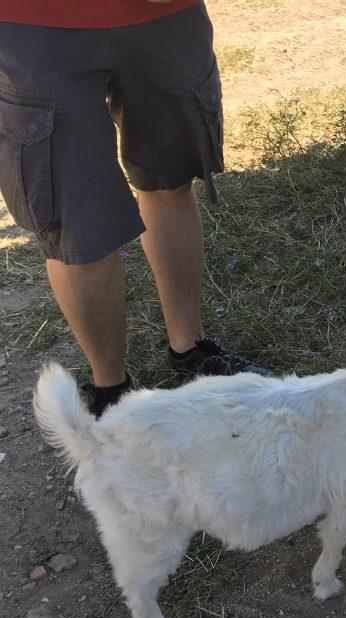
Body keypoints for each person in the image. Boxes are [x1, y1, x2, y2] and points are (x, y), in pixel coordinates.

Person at [0, 0, 268, 417]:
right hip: (37, 22)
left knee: (171, 182)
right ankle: (111, 391)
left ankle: (190, 348)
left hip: (165, 15)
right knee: (75, 225)